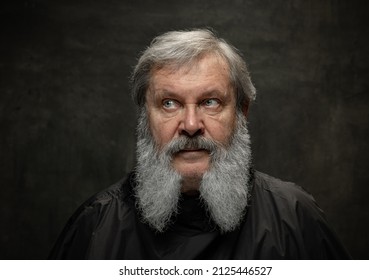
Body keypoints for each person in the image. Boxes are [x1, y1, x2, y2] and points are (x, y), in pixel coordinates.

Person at [49, 29, 350, 259]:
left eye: (210, 102)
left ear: (241, 113)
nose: (191, 125)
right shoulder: (96, 226)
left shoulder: (295, 217)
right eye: (169, 103)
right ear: (145, 117)